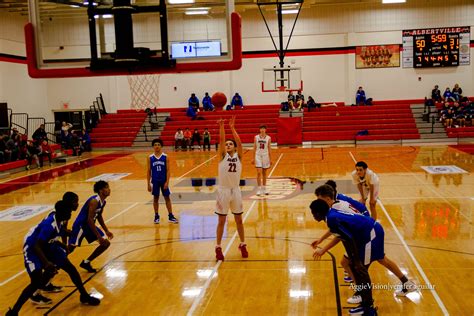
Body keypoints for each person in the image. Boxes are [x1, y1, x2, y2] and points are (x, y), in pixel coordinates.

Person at [313, 183, 417, 304]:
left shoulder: (338, 208)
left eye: (319, 200)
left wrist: (323, 249)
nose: (318, 204)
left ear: (327, 198)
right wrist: (321, 240)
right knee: (378, 259)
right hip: (368, 230)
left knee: (358, 266)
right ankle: (406, 283)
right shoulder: (336, 204)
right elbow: (336, 229)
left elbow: (341, 235)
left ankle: (362, 295)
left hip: (367, 233)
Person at [6, 201, 100, 315]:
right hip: (33, 248)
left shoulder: (59, 219)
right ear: (61, 212)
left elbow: (57, 233)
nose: (70, 213)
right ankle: (14, 311)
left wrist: (63, 244)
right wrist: (46, 263)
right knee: (36, 281)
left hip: (48, 245)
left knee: (71, 269)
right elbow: (37, 244)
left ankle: (84, 295)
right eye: (68, 211)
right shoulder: (49, 225)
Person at [310, 198, 377, 316]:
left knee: (361, 271)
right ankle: (365, 304)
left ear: (318, 213)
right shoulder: (330, 217)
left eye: (313, 213)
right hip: (364, 234)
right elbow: (343, 237)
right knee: (356, 268)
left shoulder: (331, 219)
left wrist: (355, 259)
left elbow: (348, 238)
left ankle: (369, 309)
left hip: (370, 233)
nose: (312, 216)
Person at [215, 116, 248, 261]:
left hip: (236, 190)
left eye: (230, 144)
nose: (228, 145)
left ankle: (243, 244)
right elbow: (221, 141)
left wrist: (232, 128)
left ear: (234, 147)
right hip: (223, 191)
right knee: (222, 221)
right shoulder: (222, 156)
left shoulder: (239, 156)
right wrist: (222, 126)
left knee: (239, 220)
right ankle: (218, 247)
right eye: (227, 144)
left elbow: (240, 143)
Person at [68, 181, 113, 273]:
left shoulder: (103, 201)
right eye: (106, 187)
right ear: (101, 191)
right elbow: (89, 219)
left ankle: (86, 262)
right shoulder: (94, 201)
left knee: (106, 244)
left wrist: (106, 230)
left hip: (88, 226)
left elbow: (99, 216)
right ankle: (54, 261)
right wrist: (99, 236)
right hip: (81, 225)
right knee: (71, 248)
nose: (109, 189)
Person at [147, 138, 179, 224]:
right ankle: (156, 216)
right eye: (155, 145)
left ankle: (171, 216)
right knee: (155, 198)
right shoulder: (150, 157)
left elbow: (168, 170)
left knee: (167, 198)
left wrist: (167, 182)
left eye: (158, 145)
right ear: (153, 146)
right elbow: (148, 171)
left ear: (161, 146)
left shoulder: (165, 156)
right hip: (155, 181)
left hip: (163, 181)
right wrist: (148, 184)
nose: (157, 146)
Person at [252, 125, 272, 196]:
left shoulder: (268, 138)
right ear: (259, 130)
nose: (262, 130)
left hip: (265, 156)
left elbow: (269, 148)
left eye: (263, 129)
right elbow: (254, 147)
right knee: (259, 172)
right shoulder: (256, 137)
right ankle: (259, 189)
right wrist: (253, 158)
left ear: (265, 130)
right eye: (261, 129)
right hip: (258, 155)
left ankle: (264, 188)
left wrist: (270, 158)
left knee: (264, 173)